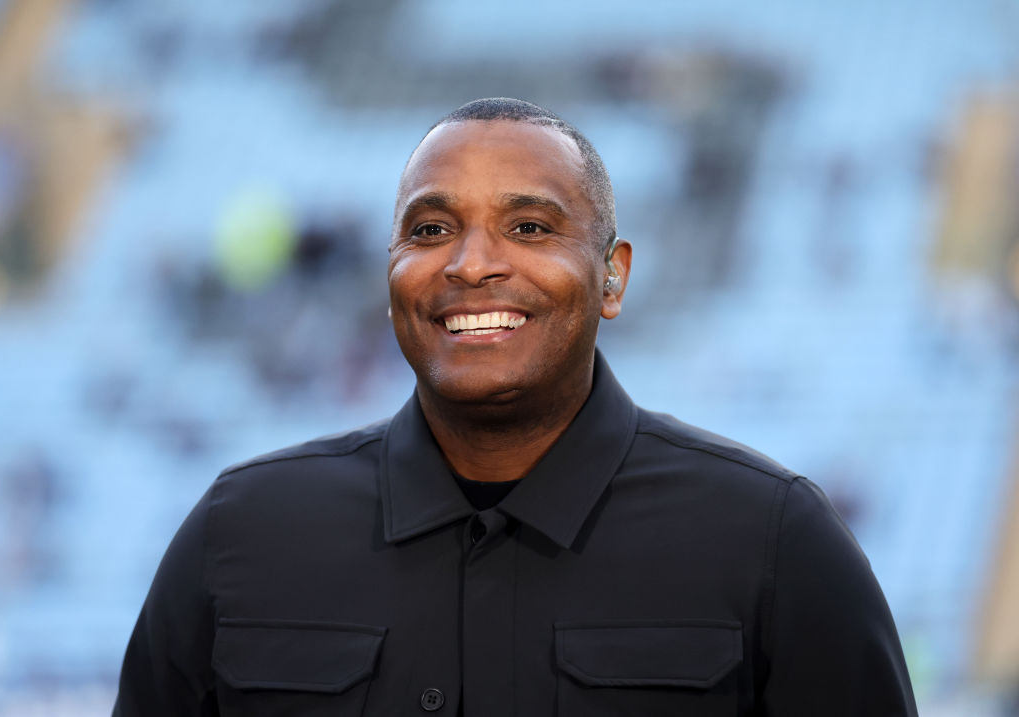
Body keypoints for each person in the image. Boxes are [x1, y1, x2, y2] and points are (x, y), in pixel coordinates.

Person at [113, 97, 918, 716]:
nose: (471, 264)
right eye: (431, 228)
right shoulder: (239, 532)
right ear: (389, 271)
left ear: (613, 276)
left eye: (529, 226)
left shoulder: (775, 540)